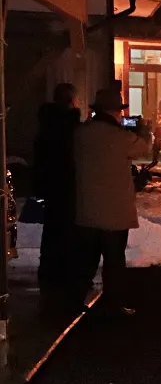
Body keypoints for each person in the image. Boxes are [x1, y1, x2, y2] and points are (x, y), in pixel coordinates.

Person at [72, 87, 153, 314]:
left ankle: (75, 301)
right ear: (116, 111)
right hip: (115, 213)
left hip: (87, 209)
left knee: (86, 260)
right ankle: (113, 304)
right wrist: (144, 131)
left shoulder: (81, 133)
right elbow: (144, 147)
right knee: (114, 260)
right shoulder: (121, 137)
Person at [33, 82, 82, 303]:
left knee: (52, 226)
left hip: (49, 183)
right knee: (67, 226)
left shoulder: (46, 124)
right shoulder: (70, 125)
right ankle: (65, 271)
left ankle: (48, 269)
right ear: (70, 101)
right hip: (67, 182)